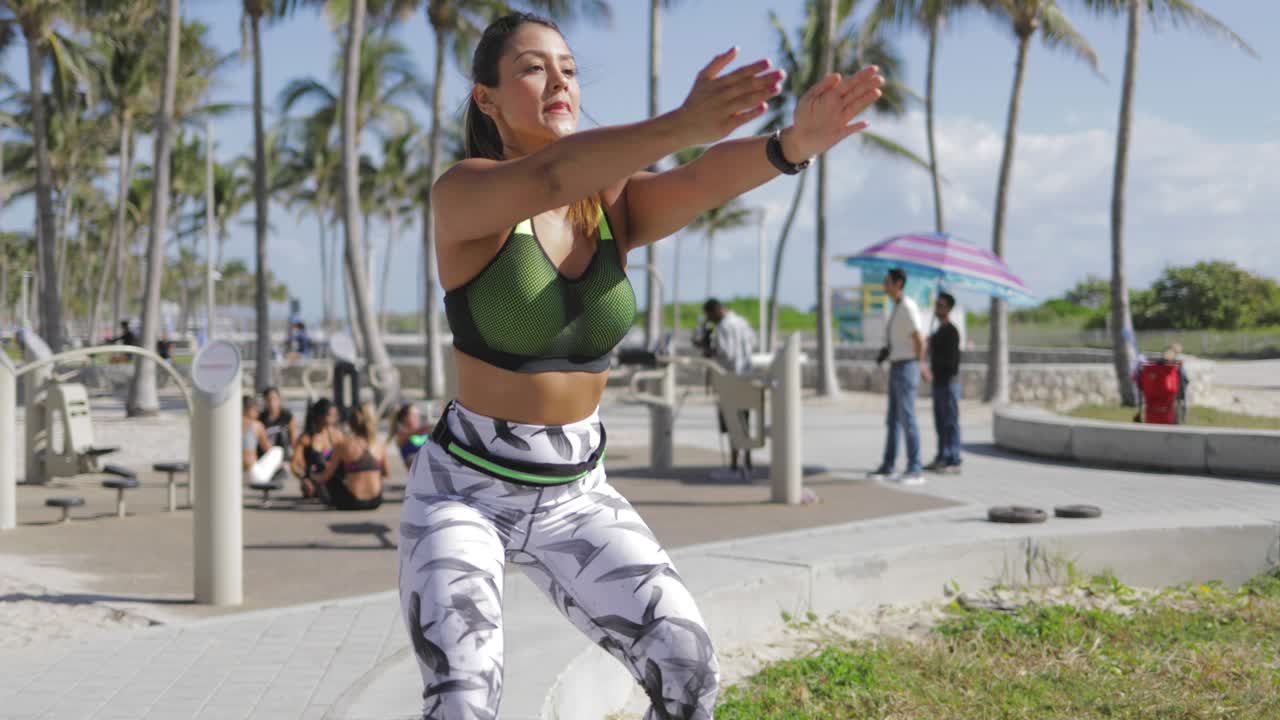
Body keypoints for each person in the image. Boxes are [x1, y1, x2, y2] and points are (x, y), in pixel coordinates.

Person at [397, 11, 884, 718]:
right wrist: (683, 121)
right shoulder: (464, 192)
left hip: (577, 494)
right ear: (487, 98)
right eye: (533, 67)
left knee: (688, 667)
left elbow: (697, 182)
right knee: (464, 698)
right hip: (465, 493)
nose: (559, 79)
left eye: (567, 67)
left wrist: (789, 146)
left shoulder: (610, 204)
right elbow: (551, 175)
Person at [868, 268, 930, 485]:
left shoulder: (907, 307)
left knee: (907, 418)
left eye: (887, 282)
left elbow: (918, 339)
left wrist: (920, 364)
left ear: (898, 283)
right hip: (897, 365)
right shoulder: (896, 307)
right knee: (893, 420)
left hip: (907, 367)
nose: (884, 285)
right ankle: (888, 465)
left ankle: (915, 468)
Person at [702, 298, 758, 474]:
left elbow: (726, 353)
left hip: (729, 378)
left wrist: (708, 350)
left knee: (732, 422)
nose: (710, 320)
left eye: (709, 316)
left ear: (715, 311)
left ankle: (734, 465)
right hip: (747, 377)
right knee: (745, 421)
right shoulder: (742, 322)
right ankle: (747, 462)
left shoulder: (722, 327)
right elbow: (754, 343)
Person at [314, 403, 387, 511]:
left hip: (352, 501)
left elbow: (326, 476)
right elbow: (387, 472)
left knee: (331, 474)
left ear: (350, 424)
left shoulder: (344, 445)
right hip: (376, 501)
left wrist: (313, 477)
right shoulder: (379, 444)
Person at [925, 292, 962, 474]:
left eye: (940, 305)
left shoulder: (952, 332)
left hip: (949, 384)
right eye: (936, 305)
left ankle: (953, 459)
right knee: (940, 423)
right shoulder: (937, 332)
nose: (937, 308)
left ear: (948, 308)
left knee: (950, 422)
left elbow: (952, 364)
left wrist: (935, 356)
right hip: (938, 384)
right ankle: (942, 456)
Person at [292, 398, 343, 499]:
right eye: (330, 415)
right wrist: (303, 479)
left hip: (333, 479)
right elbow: (294, 465)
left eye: (335, 415)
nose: (334, 419)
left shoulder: (337, 435)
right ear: (320, 416)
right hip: (314, 481)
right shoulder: (307, 438)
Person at [261, 387, 298, 467]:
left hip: (284, 459)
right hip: (266, 459)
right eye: (268, 400)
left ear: (279, 399)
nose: (272, 403)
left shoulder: (287, 417)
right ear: (264, 401)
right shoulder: (260, 419)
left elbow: (293, 440)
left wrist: (295, 459)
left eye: (274, 399)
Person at [390, 403, 433, 470]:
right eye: (414, 415)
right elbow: (415, 432)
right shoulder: (401, 435)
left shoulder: (424, 432)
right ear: (404, 418)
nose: (417, 417)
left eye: (418, 414)